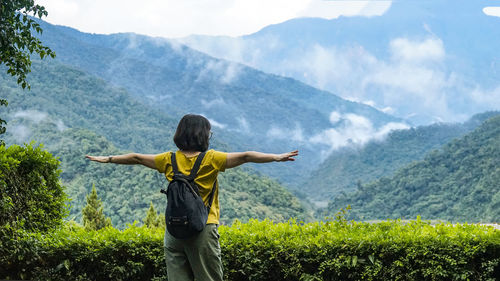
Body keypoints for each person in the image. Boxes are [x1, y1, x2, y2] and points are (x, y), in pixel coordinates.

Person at [86, 114, 298, 281]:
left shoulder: (168, 159)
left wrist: (108, 158)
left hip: (174, 231)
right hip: (203, 229)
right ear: (203, 136)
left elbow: (136, 158)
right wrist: (276, 157)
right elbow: (246, 156)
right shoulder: (212, 159)